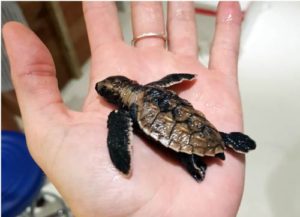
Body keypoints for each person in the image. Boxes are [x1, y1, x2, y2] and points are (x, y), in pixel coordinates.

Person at [3, 2, 246, 216]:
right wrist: (184, 76)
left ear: (118, 95)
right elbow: (173, 79)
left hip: (174, 127)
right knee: (182, 128)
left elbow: (120, 137)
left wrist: (121, 159)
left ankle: (196, 160)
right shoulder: (154, 87)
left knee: (178, 142)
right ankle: (218, 142)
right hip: (188, 121)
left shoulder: (122, 114)